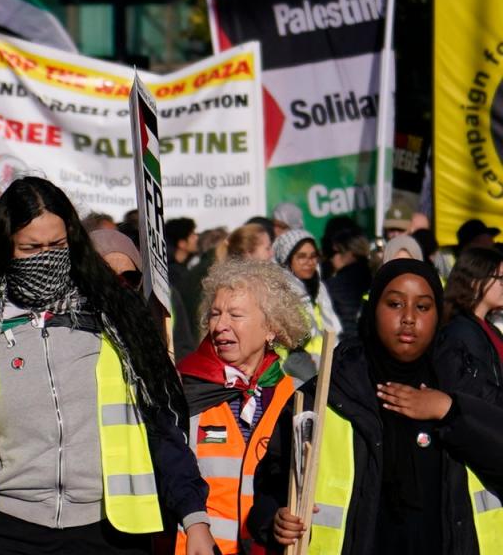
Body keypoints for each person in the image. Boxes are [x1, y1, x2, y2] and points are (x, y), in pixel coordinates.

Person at [0, 177, 215, 555]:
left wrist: (194, 517)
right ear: (5, 248)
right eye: (31, 248)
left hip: (108, 530)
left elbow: (164, 427)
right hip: (7, 529)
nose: (47, 257)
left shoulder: (116, 318)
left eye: (57, 245)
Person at [249, 259, 503, 553]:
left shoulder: (465, 382)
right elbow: (275, 477)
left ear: (438, 315)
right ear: (373, 309)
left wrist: (451, 411)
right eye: (395, 304)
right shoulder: (331, 391)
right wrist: (274, 519)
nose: (408, 318)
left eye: (422, 307)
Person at [174, 259, 307, 555]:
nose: (220, 326)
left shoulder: (296, 396)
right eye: (215, 314)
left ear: (271, 327)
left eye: (235, 315)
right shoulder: (186, 391)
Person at [273, 229, 342, 380]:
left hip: (325, 363)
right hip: (295, 369)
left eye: (313, 256)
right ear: (287, 259)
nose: (309, 262)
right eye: (301, 257)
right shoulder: (279, 293)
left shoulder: (318, 288)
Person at [435, 247, 503, 395]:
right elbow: (468, 392)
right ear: (475, 281)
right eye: (501, 278)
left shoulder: (490, 329)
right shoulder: (459, 333)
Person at [324, 228, 372, 344]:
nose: (331, 258)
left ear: (351, 254)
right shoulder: (376, 278)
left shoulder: (332, 286)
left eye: (335, 252)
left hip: (345, 347)